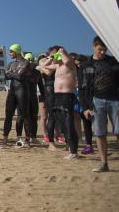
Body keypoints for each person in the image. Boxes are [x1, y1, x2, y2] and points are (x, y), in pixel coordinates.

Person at [80, 36, 119, 172]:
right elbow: (82, 88)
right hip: (96, 101)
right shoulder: (86, 65)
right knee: (100, 133)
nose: (102, 52)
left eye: (105, 50)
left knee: (118, 130)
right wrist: (85, 108)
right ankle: (104, 163)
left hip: (115, 100)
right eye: (100, 49)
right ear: (93, 46)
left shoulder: (114, 62)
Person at [40, 46, 79, 159]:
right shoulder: (57, 66)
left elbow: (67, 60)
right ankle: (70, 148)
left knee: (68, 123)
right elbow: (44, 66)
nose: (52, 57)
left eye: (54, 55)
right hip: (57, 96)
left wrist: (62, 52)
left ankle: (73, 151)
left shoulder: (69, 64)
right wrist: (51, 57)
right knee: (62, 124)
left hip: (67, 96)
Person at [4, 44, 35, 147]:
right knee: (8, 115)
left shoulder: (25, 62)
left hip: (22, 90)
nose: (9, 54)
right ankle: (5, 139)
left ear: (17, 52)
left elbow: (20, 76)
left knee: (24, 115)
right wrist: (14, 73)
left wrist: (11, 73)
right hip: (12, 90)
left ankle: (27, 140)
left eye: (11, 52)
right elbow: (6, 76)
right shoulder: (11, 63)